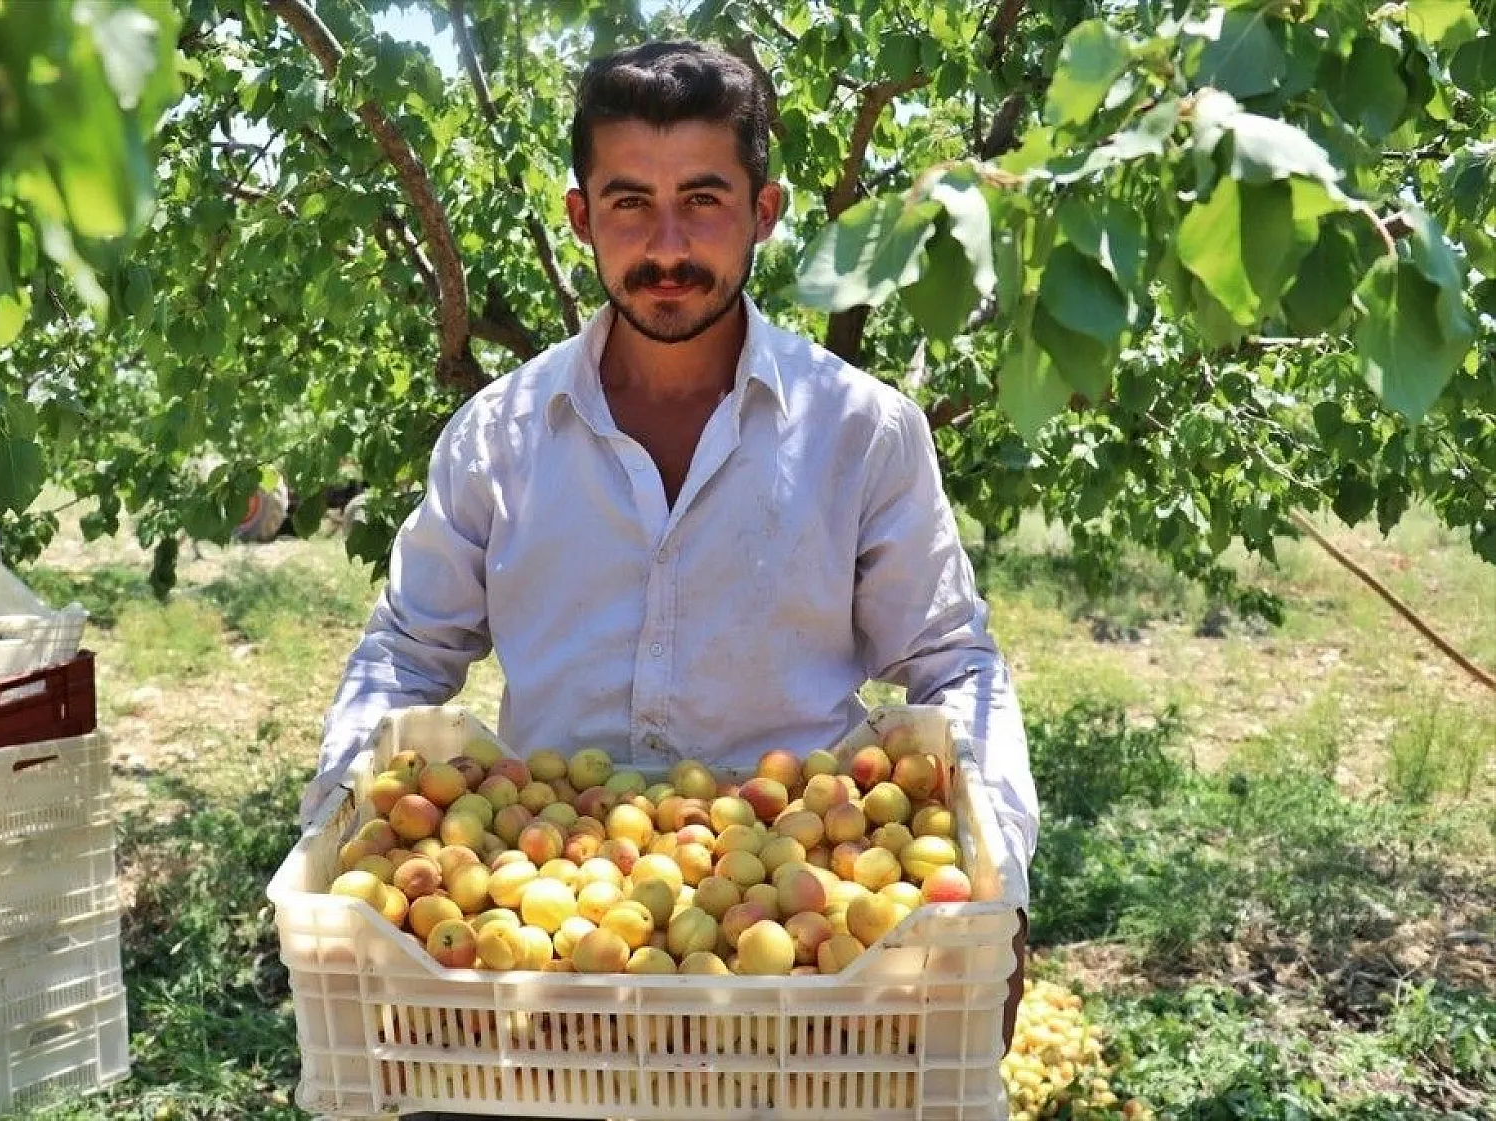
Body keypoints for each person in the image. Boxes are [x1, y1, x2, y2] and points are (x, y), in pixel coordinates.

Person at [302, 39, 1038, 1113]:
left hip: (802, 980)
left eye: (702, 199)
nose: (666, 244)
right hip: (537, 985)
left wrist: (999, 879)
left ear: (765, 210)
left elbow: (948, 659)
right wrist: (333, 819)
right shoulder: (497, 436)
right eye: (628, 203)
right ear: (578, 217)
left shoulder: (860, 433)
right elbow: (409, 647)